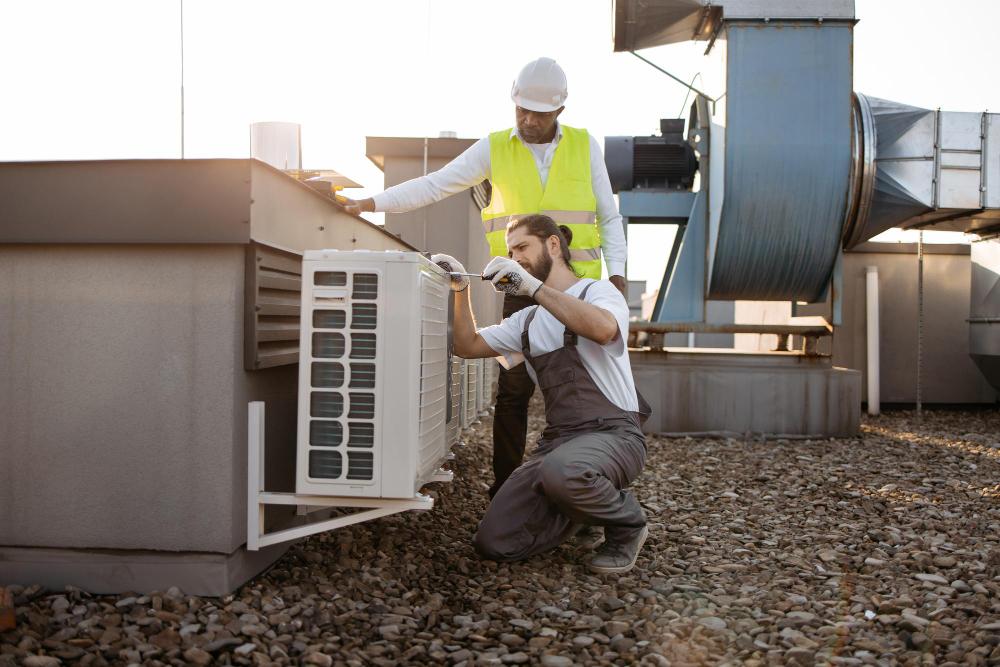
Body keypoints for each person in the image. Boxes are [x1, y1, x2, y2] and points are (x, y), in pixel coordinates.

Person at [340, 57, 629, 499]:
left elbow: (609, 216)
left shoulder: (585, 146)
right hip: (519, 291)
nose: (528, 120)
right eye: (521, 110)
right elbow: (435, 185)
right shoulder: (494, 147)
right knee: (513, 391)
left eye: (538, 113)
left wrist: (620, 278)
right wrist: (370, 202)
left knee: (583, 392)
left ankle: (590, 486)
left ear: (559, 113)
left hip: (578, 291)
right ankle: (506, 489)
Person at [432, 214, 650, 574]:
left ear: (552, 245)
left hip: (614, 435)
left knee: (563, 472)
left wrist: (533, 287)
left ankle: (628, 524)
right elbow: (467, 345)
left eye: (522, 247)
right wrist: (460, 290)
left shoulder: (597, 291)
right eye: (510, 251)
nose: (514, 258)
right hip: (559, 443)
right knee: (494, 541)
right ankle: (581, 510)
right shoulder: (528, 319)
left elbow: (603, 329)